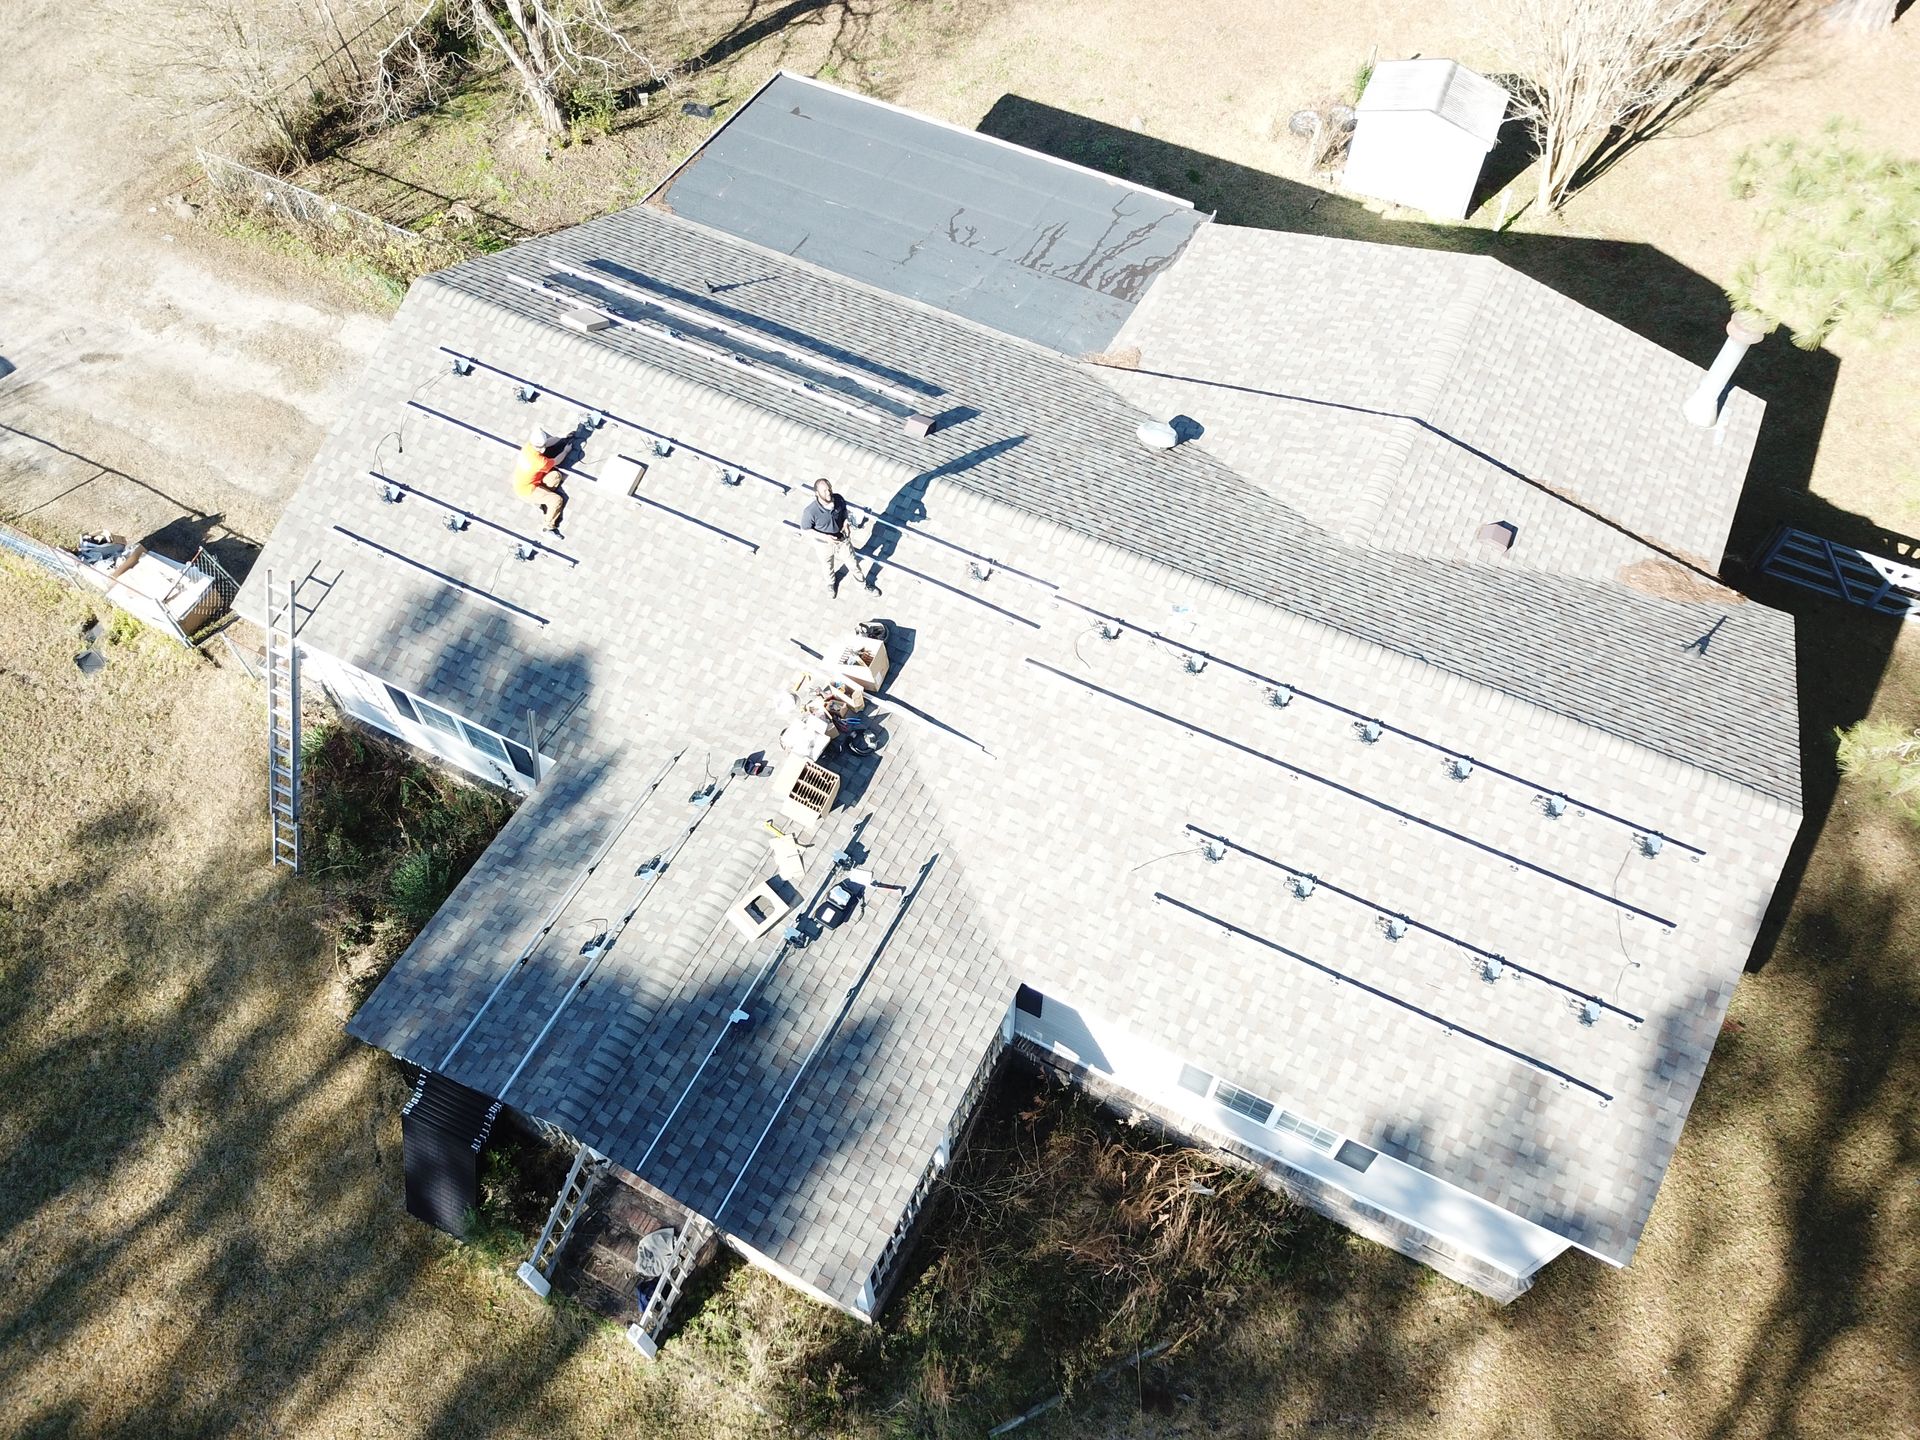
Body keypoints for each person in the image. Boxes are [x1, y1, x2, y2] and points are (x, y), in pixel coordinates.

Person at [800, 477, 869, 595]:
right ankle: (831, 584)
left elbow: (845, 512)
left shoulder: (838, 499)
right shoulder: (810, 511)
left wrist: (846, 522)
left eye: (829, 489)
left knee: (853, 564)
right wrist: (825, 537)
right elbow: (805, 530)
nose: (828, 493)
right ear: (817, 493)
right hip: (823, 544)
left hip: (842, 539)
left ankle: (862, 586)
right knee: (827, 566)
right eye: (824, 491)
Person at [512, 426, 568, 533]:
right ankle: (548, 526)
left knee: (556, 476)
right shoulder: (539, 461)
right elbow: (557, 461)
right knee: (556, 500)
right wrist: (566, 451)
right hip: (527, 491)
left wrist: (561, 437)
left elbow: (547, 443)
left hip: (531, 482)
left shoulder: (529, 446)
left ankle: (542, 499)